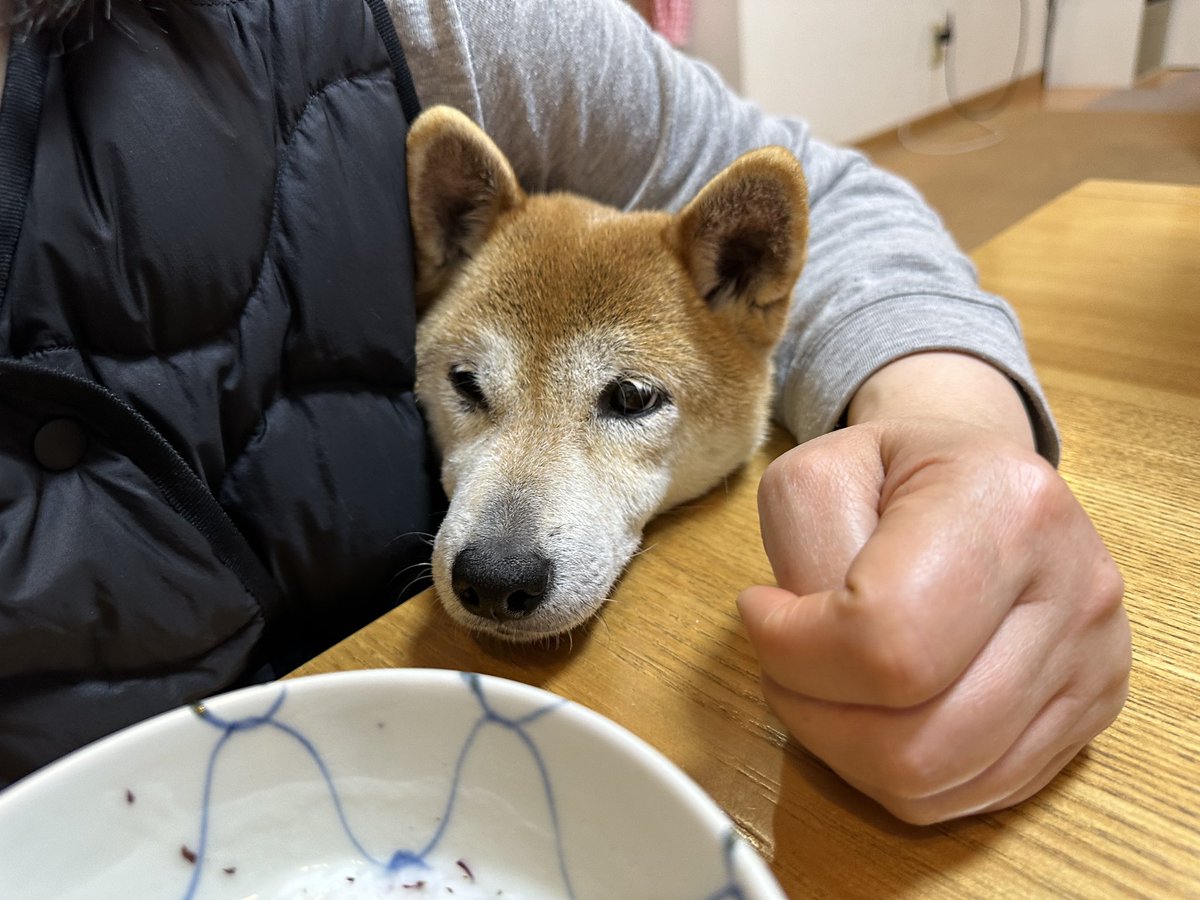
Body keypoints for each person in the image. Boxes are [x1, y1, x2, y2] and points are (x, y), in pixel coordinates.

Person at [0, 0, 1129, 824]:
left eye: (629, 401)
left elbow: (832, 193)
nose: (502, 528)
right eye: (470, 391)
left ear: (744, 282)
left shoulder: (430, 24)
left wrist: (959, 439)